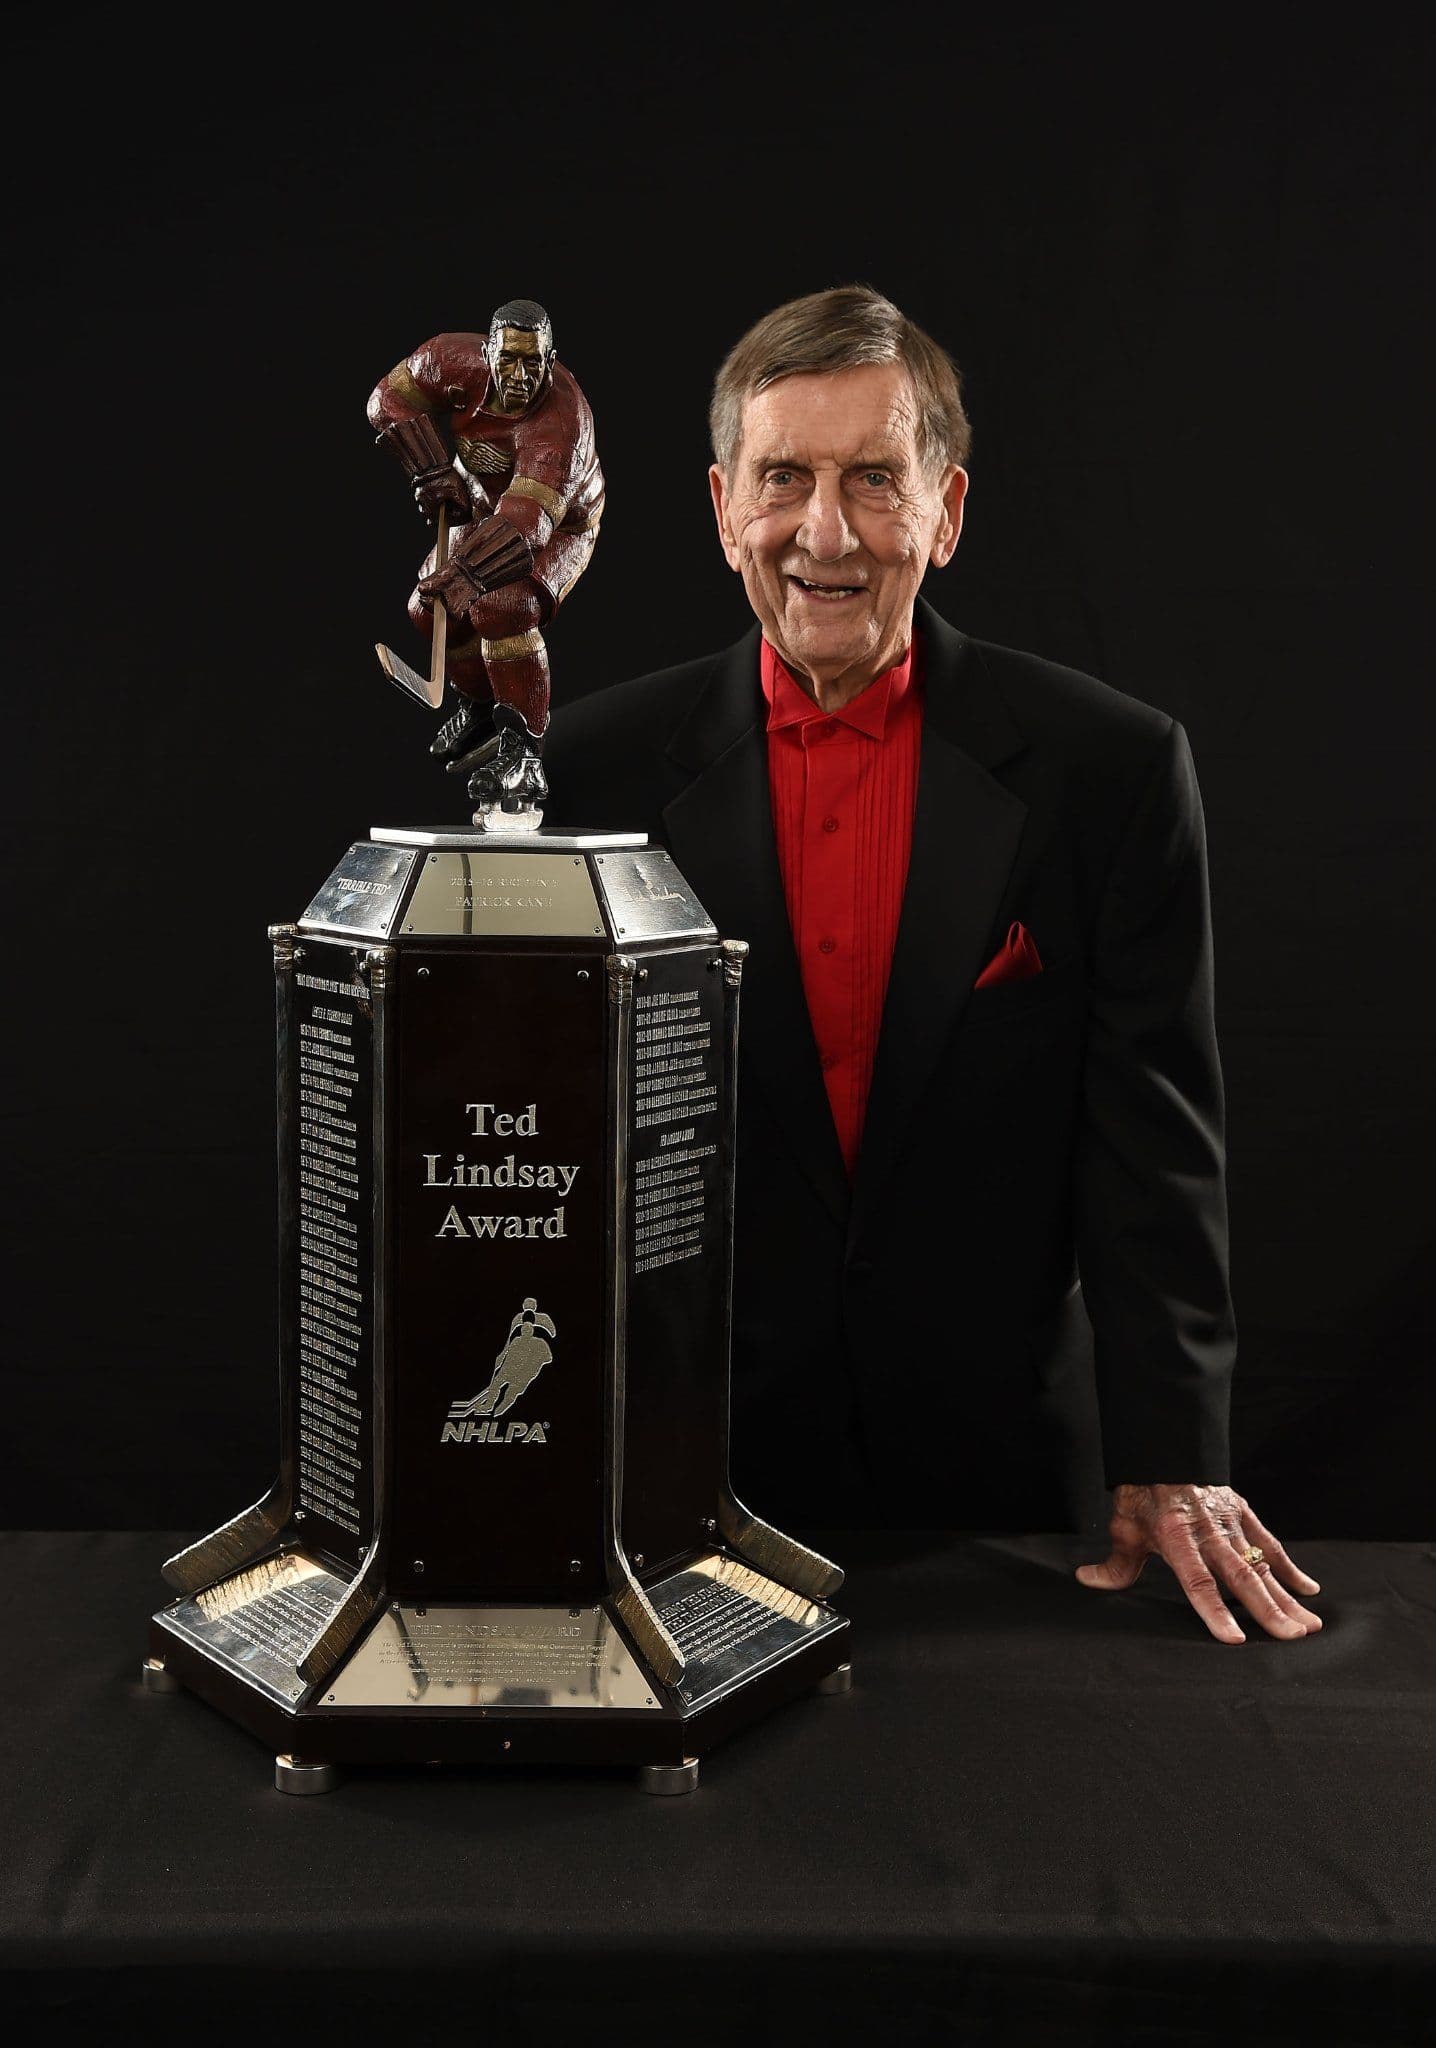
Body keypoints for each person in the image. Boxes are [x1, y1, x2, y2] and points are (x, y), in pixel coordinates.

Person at [544, 286, 1322, 1645]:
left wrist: (1171, 1444)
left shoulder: (1111, 770)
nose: (824, 533)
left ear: (945, 511)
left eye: (873, 479)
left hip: (1009, 1487)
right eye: (783, 478)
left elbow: (1152, 1143)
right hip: (678, 1476)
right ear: (723, 508)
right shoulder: (585, 774)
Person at [367, 298, 604, 810]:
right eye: (508, 359)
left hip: (558, 526)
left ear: (550, 360)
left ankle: (525, 752)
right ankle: (479, 706)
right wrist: (433, 470)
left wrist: (467, 575)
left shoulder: (562, 422)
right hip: (484, 504)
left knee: (503, 607)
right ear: (488, 352)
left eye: (532, 363)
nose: (519, 377)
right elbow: (386, 400)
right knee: (428, 611)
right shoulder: (451, 360)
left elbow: (527, 523)